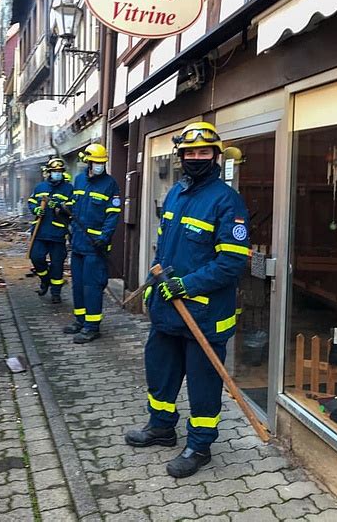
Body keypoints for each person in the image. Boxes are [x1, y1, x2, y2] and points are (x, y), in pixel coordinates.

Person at [125, 121, 250, 478]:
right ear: (181, 156)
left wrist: (188, 285)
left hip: (204, 317)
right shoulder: (176, 194)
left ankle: (199, 446)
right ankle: (161, 427)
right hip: (168, 310)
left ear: (215, 156)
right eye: (190, 152)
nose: (196, 157)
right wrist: (153, 280)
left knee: (203, 386)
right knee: (160, 375)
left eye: (204, 152)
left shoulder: (227, 202)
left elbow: (231, 262)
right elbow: (163, 248)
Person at [63, 143, 121, 344]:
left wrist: (104, 238)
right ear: (88, 162)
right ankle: (80, 321)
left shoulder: (110, 184)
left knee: (92, 287)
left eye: (102, 162)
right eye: (96, 162)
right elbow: (73, 205)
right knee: (77, 286)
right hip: (78, 244)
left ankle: (92, 327)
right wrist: (63, 210)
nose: (99, 165)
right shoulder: (79, 181)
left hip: (95, 248)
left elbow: (113, 215)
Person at [27, 157, 73, 304]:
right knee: (36, 257)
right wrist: (36, 209)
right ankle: (45, 280)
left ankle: (56, 293)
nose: (57, 174)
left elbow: (71, 209)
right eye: (54, 171)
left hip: (58, 234)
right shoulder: (40, 188)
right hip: (40, 232)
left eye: (59, 171)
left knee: (57, 264)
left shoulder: (68, 189)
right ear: (48, 172)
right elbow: (32, 201)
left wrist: (58, 205)